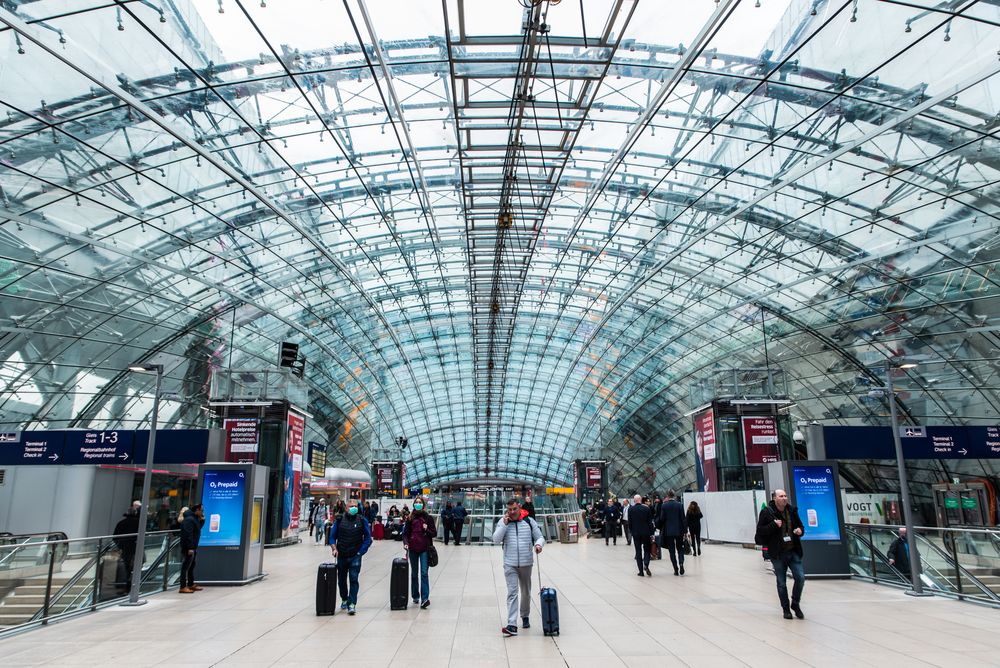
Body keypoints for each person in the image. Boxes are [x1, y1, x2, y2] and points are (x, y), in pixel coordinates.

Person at [493, 498, 544, 637]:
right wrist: (504, 525)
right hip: (510, 563)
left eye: (514, 509)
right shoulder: (503, 522)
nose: (512, 512)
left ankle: (525, 615)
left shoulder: (529, 521)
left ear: (519, 507)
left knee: (526, 592)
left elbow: (540, 537)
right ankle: (512, 624)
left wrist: (538, 545)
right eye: (509, 509)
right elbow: (495, 539)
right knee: (512, 593)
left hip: (526, 562)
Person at [755, 489, 806, 619]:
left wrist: (800, 530)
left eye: (785, 495)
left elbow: (801, 526)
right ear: (774, 498)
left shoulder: (792, 511)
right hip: (777, 553)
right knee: (781, 582)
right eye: (781, 496)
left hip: (793, 550)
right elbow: (760, 531)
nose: (784, 498)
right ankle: (786, 608)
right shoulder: (767, 512)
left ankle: (795, 603)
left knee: (800, 578)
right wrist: (773, 525)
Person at [328, 501, 373, 615]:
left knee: (353, 579)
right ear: (346, 508)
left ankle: (352, 603)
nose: (353, 508)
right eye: (351, 506)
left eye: (355, 506)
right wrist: (334, 549)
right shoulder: (339, 520)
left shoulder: (362, 520)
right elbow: (332, 537)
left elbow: (368, 538)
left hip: (355, 555)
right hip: (342, 554)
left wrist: (361, 552)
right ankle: (344, 598)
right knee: (342, 580)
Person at [402, 496, 436, 608]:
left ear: (423, 504)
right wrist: (406, 543)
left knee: (424, 573)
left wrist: (426, 529)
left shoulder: (428, 518)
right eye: (416, 502)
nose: (418, 504)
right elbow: (405, 533)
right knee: (414, 574)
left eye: (420, 502)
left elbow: (434, 533)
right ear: (413, 505)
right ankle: (415, 595)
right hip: (412, 549)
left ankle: (425, 598)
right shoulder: (410, 518)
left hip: (425, 549)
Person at [657, 490, 687, 575]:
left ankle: (675, 568)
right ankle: (681, 563)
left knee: (672, 550)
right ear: (674, 496)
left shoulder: (664, 506)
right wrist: (685, 531)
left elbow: (662, 518)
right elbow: (683, 519)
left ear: (668, 496)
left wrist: (660, 526)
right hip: (679, 531)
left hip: (668, 531)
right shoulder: (680, 505)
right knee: (680, 548)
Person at [112, 505, 140, 591]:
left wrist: (119, 545)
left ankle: (121, 583)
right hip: (134, 547)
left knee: (124, 565)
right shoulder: (138, 523)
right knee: (132, 565)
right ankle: (128, 583)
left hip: (123, 547)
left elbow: (115, 537)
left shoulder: (121, 523)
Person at [179, 504, 204, 594]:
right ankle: (182, 586)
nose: (202, 512)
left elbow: (197, 530)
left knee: (191, 565)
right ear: (197, 510)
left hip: (193, 546)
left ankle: (190, 584)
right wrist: (190, 547)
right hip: (189, 547)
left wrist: (202, 521)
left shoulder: (194, 518)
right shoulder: (189, 519)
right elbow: (188, 534)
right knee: (186, 566)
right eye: (201, 510)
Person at [627, 494, 654, 576]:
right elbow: (650, 522)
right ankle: (646, 564)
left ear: (634, 500)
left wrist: (632, 531)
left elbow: (630, 522)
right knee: (647, 549)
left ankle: (641, 571)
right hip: (646, 532)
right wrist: (652, 533)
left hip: (636, 533)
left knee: (638, 551)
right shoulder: (646, 509)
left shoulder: (631, 509)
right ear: (641, 500)